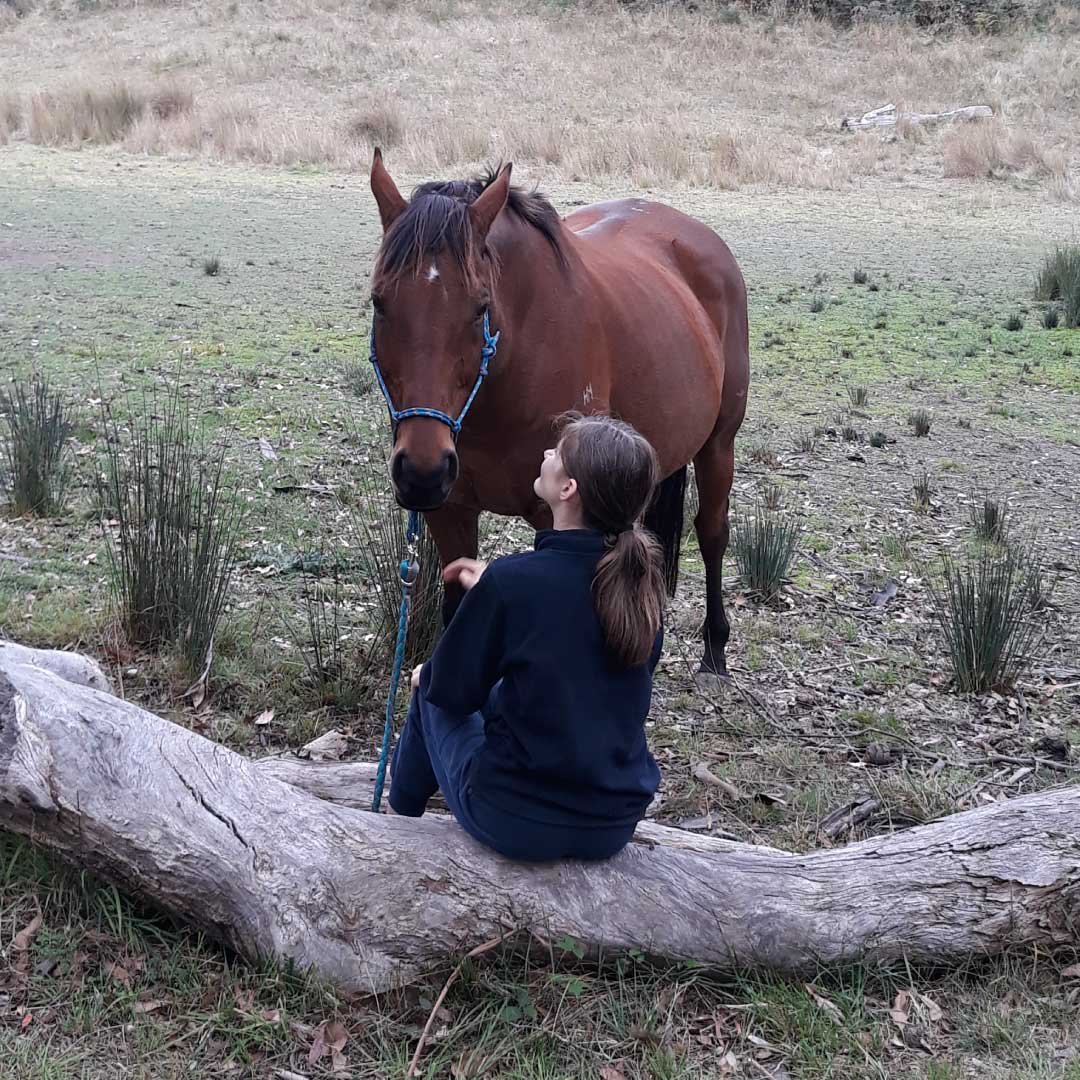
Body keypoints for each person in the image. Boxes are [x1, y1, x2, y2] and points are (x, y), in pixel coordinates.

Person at [388, 414, 666, 861]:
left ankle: (395, 833)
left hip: (514, 819)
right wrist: (498, 593)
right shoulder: (641, 588)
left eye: (556, 453)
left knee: (428, 691)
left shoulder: (513, 583)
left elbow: (451, 691)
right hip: (611, 825)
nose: (545, 455)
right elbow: (585, 671)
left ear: (567, 489)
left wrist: (429, 673)